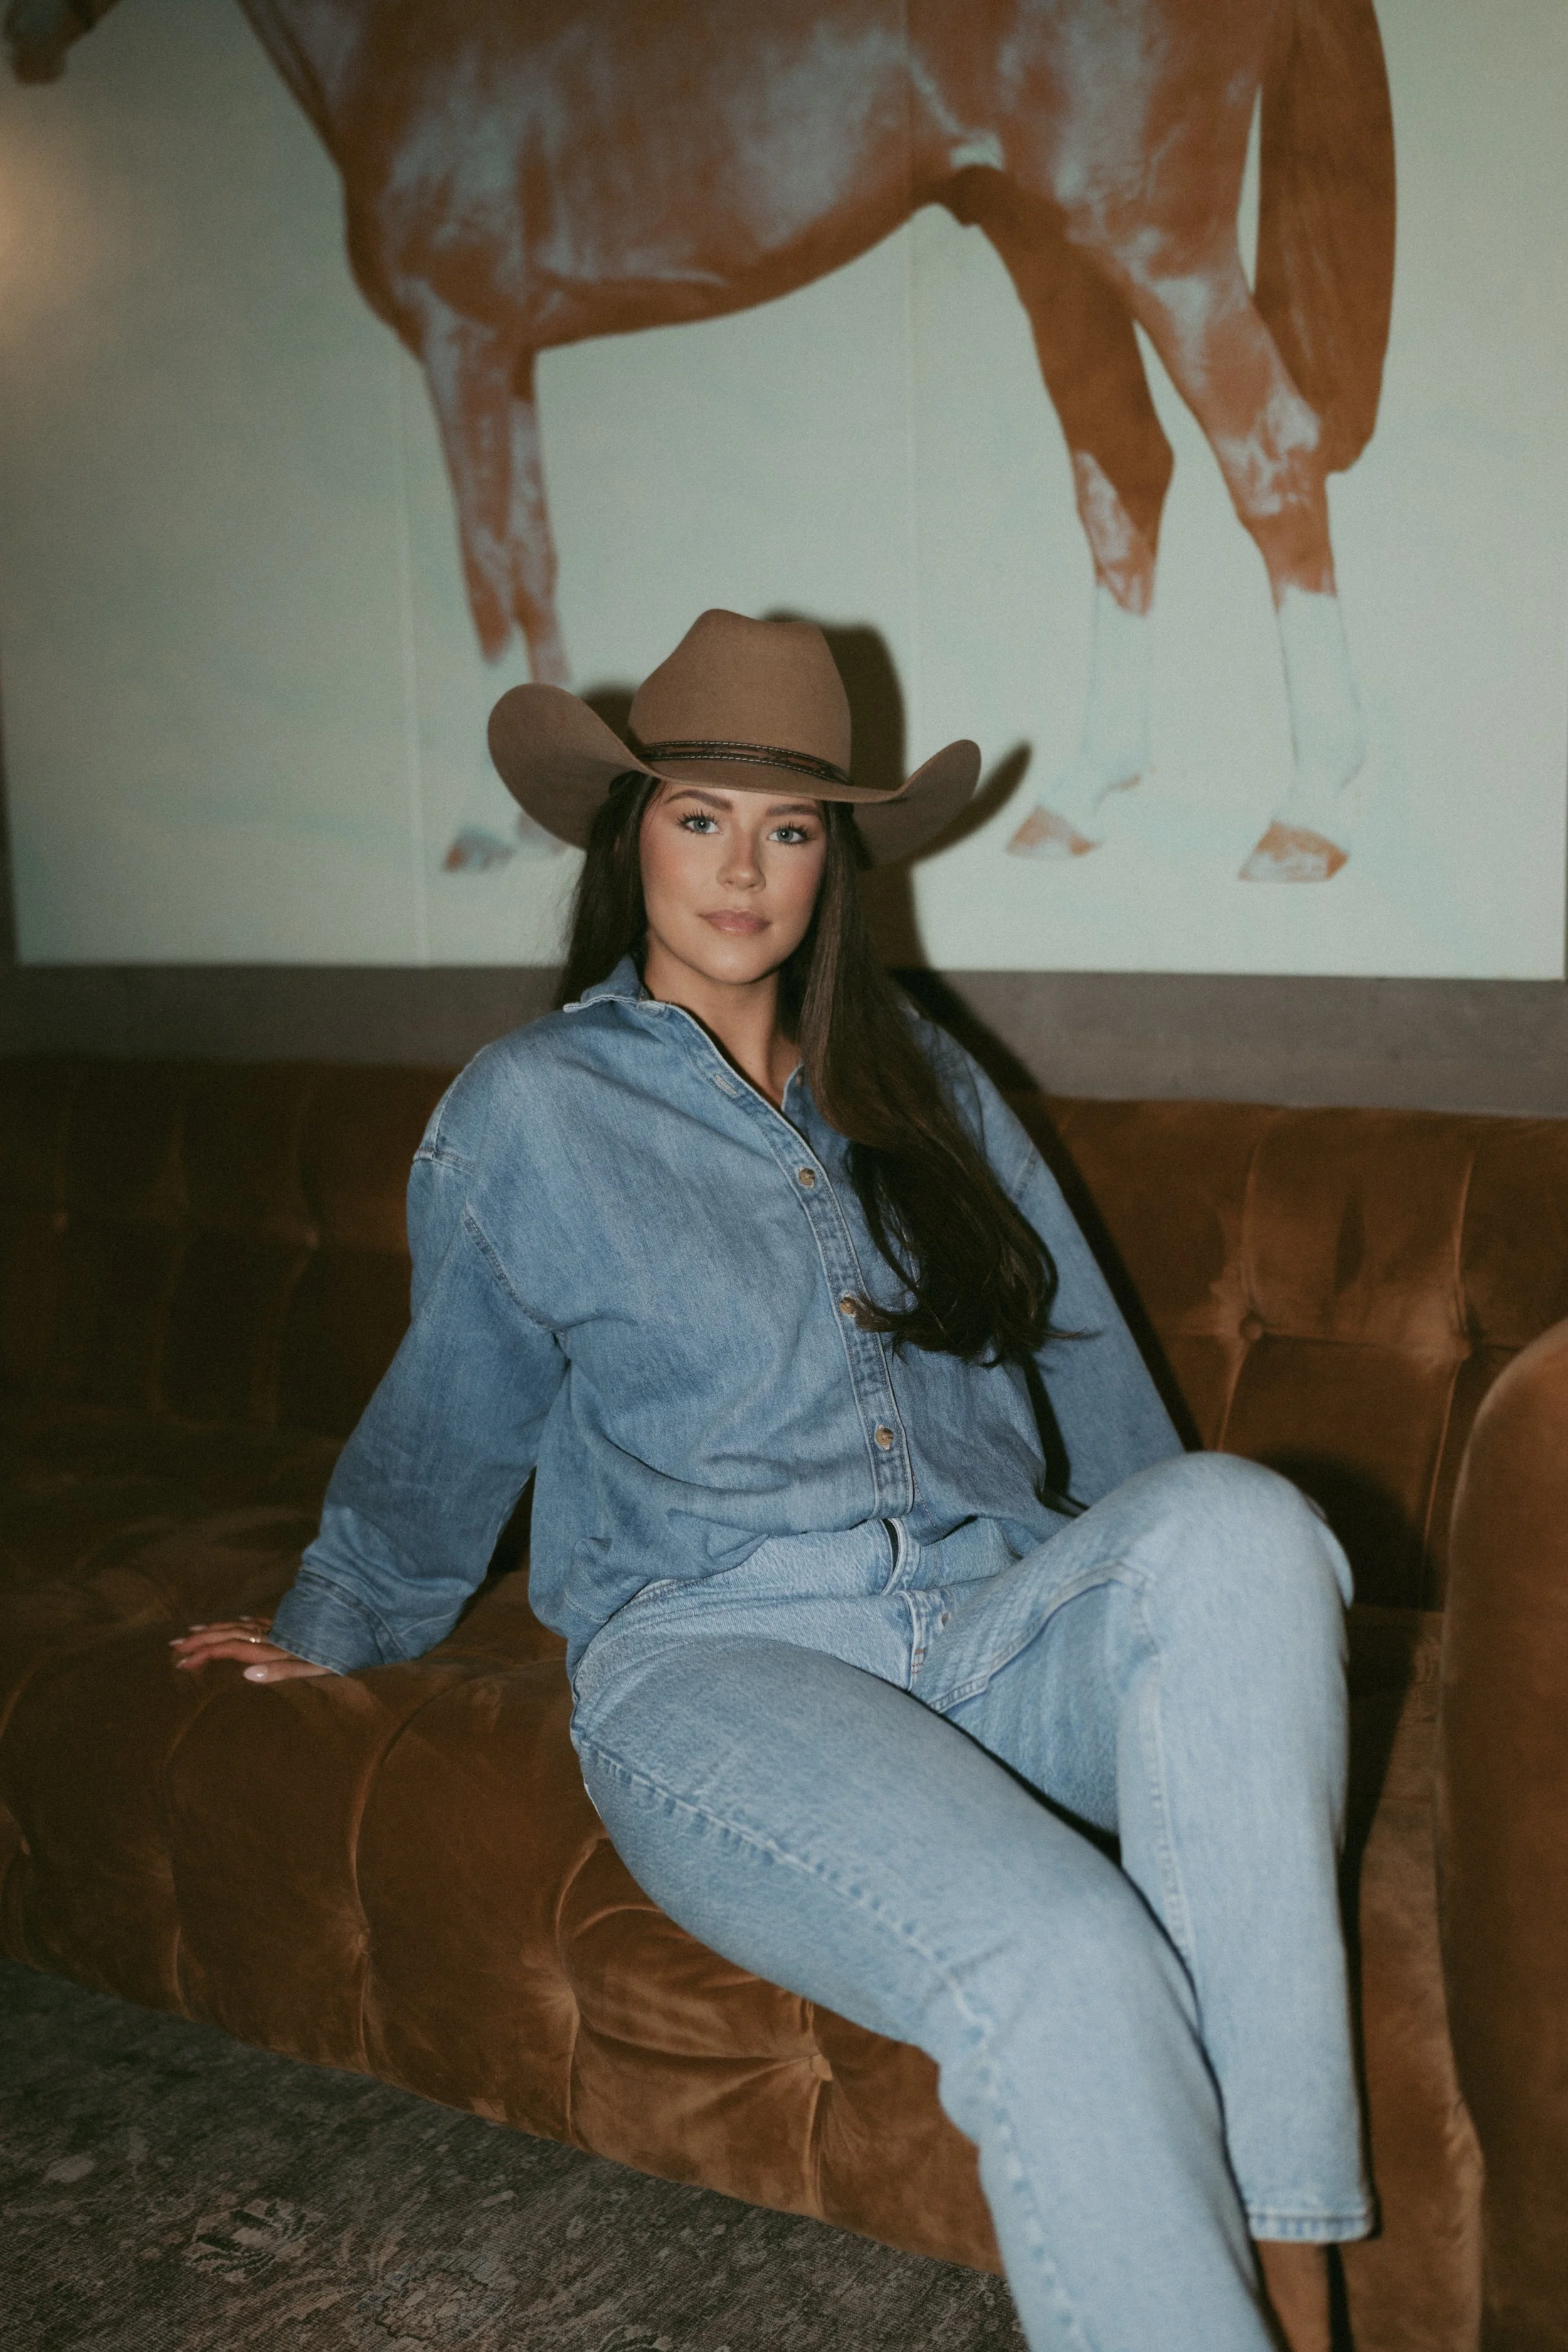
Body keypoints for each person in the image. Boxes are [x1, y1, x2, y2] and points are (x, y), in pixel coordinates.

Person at [174, 611, 1370, 2351]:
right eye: (698, 815)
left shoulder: (926, 1081)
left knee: (1245, 1520)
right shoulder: (534, 1108)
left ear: (834, 864)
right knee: (1068, 1949)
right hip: (724, 1663)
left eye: (789, 827)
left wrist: (1196, 1630)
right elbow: (447, 1415)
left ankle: (1301, 2297)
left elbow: (1101, 1386)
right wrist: (336, 1616)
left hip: (994, 1619)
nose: (743, 865)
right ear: (627, 834)